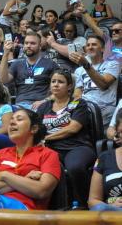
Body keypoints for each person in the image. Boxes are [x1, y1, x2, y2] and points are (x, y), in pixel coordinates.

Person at [0, 109, 61, 210]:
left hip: (26, 210)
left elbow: (42, 190)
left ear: (34, 128)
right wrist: (25, 180)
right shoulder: (2, 153)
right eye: (11, 119)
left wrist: (4, 175)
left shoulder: (48, 154)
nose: (12, 122)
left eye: (19, 119)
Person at [37, 69, 96, 207]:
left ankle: (85, 205)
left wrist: (47, 138)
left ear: (69, 86)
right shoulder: (44, 107)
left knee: (75, 167)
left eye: (60, 82)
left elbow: (73, 128)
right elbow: (37, 130)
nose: (56, 85)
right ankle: (53, 207)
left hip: (77, 146)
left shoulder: (78, 103)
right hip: (52, 149)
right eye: (53, 81)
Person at [0, 31, 59, 110]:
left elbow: (61, 89)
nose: (28, 46)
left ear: (40, 46)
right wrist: (5, 53)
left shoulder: (50, 64)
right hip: (19, 106)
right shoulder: (17, 63)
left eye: (32, 43)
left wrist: (45, 101)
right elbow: (3, 80)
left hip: (41, 106)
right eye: (26, 43)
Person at [70, 35, 119, 127]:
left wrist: (86, 64)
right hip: (84, 108)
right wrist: (70, 109)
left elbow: (103, 85)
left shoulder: (112, 64)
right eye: (88, 45)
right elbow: (77, 94)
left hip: (103, 109)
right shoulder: (79, 70)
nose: (90, 47)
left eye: (94, 44)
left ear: (103, 49)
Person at [88, 112, 122, 211]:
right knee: (99, 208)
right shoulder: (104, 158)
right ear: (117, 133)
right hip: (113, 212)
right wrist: (111, 205)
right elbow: (93, 200)